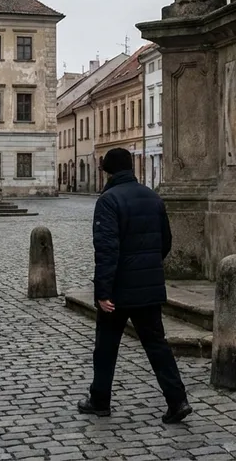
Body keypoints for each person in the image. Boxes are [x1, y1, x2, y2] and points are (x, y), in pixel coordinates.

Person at [78, 148, 191, 424]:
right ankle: (177, 400)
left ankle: (100, 400)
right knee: (157, 346)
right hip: (149, 288)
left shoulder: (108, 201)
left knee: (105, 347)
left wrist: (102, 292)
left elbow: (106, 251)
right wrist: (148, 270)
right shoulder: (153, 197)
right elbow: (165, 243)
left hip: (118, 291)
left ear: (108, 171)